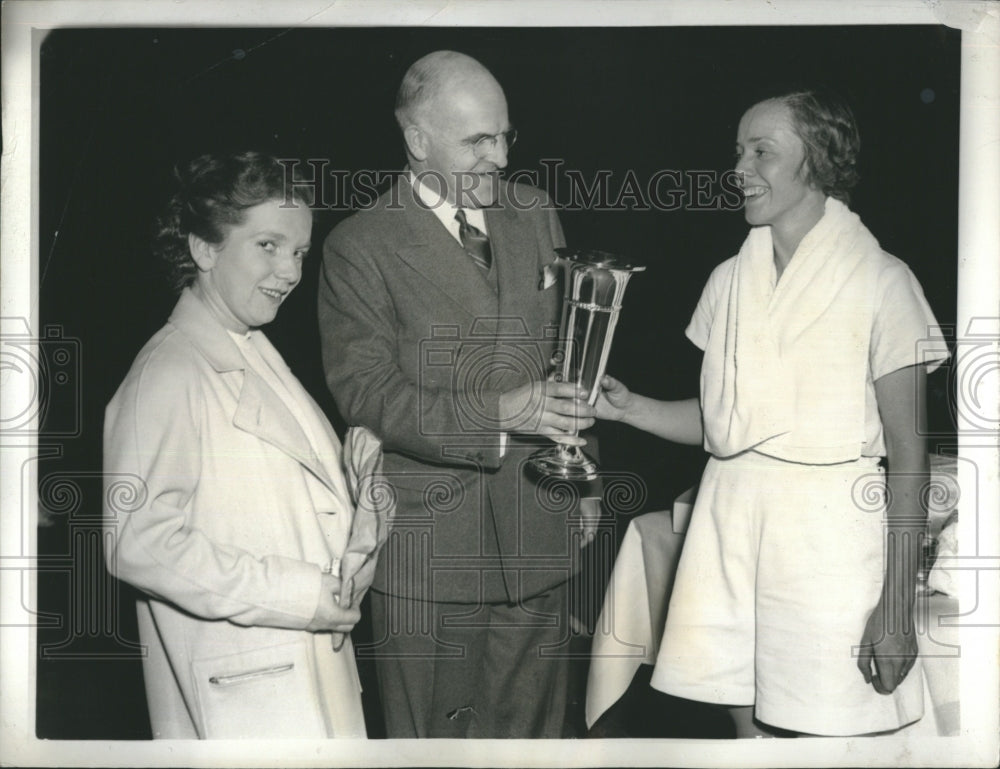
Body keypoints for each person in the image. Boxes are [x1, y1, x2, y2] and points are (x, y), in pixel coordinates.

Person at [595, 89, 948, 737]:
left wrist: (896, 605)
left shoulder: (882, 280)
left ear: (817, 161)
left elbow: (908, 454)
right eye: (738, 151)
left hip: (828, 540)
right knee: (748, 737)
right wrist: (629, 408)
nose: (739, 168)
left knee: (830, 734)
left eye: (762, 151)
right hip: (727, 525)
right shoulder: (729, 279)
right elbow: (725, 427)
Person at [318, 50, 600, 738]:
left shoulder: (534, 213)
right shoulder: (359, 245)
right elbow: (369, 393)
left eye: (505, 136)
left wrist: (586, 476)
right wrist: (495, 413)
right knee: (433, 747)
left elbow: (570, 355)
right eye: (478, 140)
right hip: (429, 554)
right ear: (417, 141)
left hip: (539, 527)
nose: (500, 158)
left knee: (534, 742)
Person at [103, 152, 382, 739]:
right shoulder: (168, 372)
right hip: (250, 696)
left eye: (300, 252)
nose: (290, 271)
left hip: (299, 675)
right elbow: (139, 543)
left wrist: (360, 487)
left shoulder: (252, 348)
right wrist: (301, 593)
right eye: (268, 246)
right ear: (204, 249)